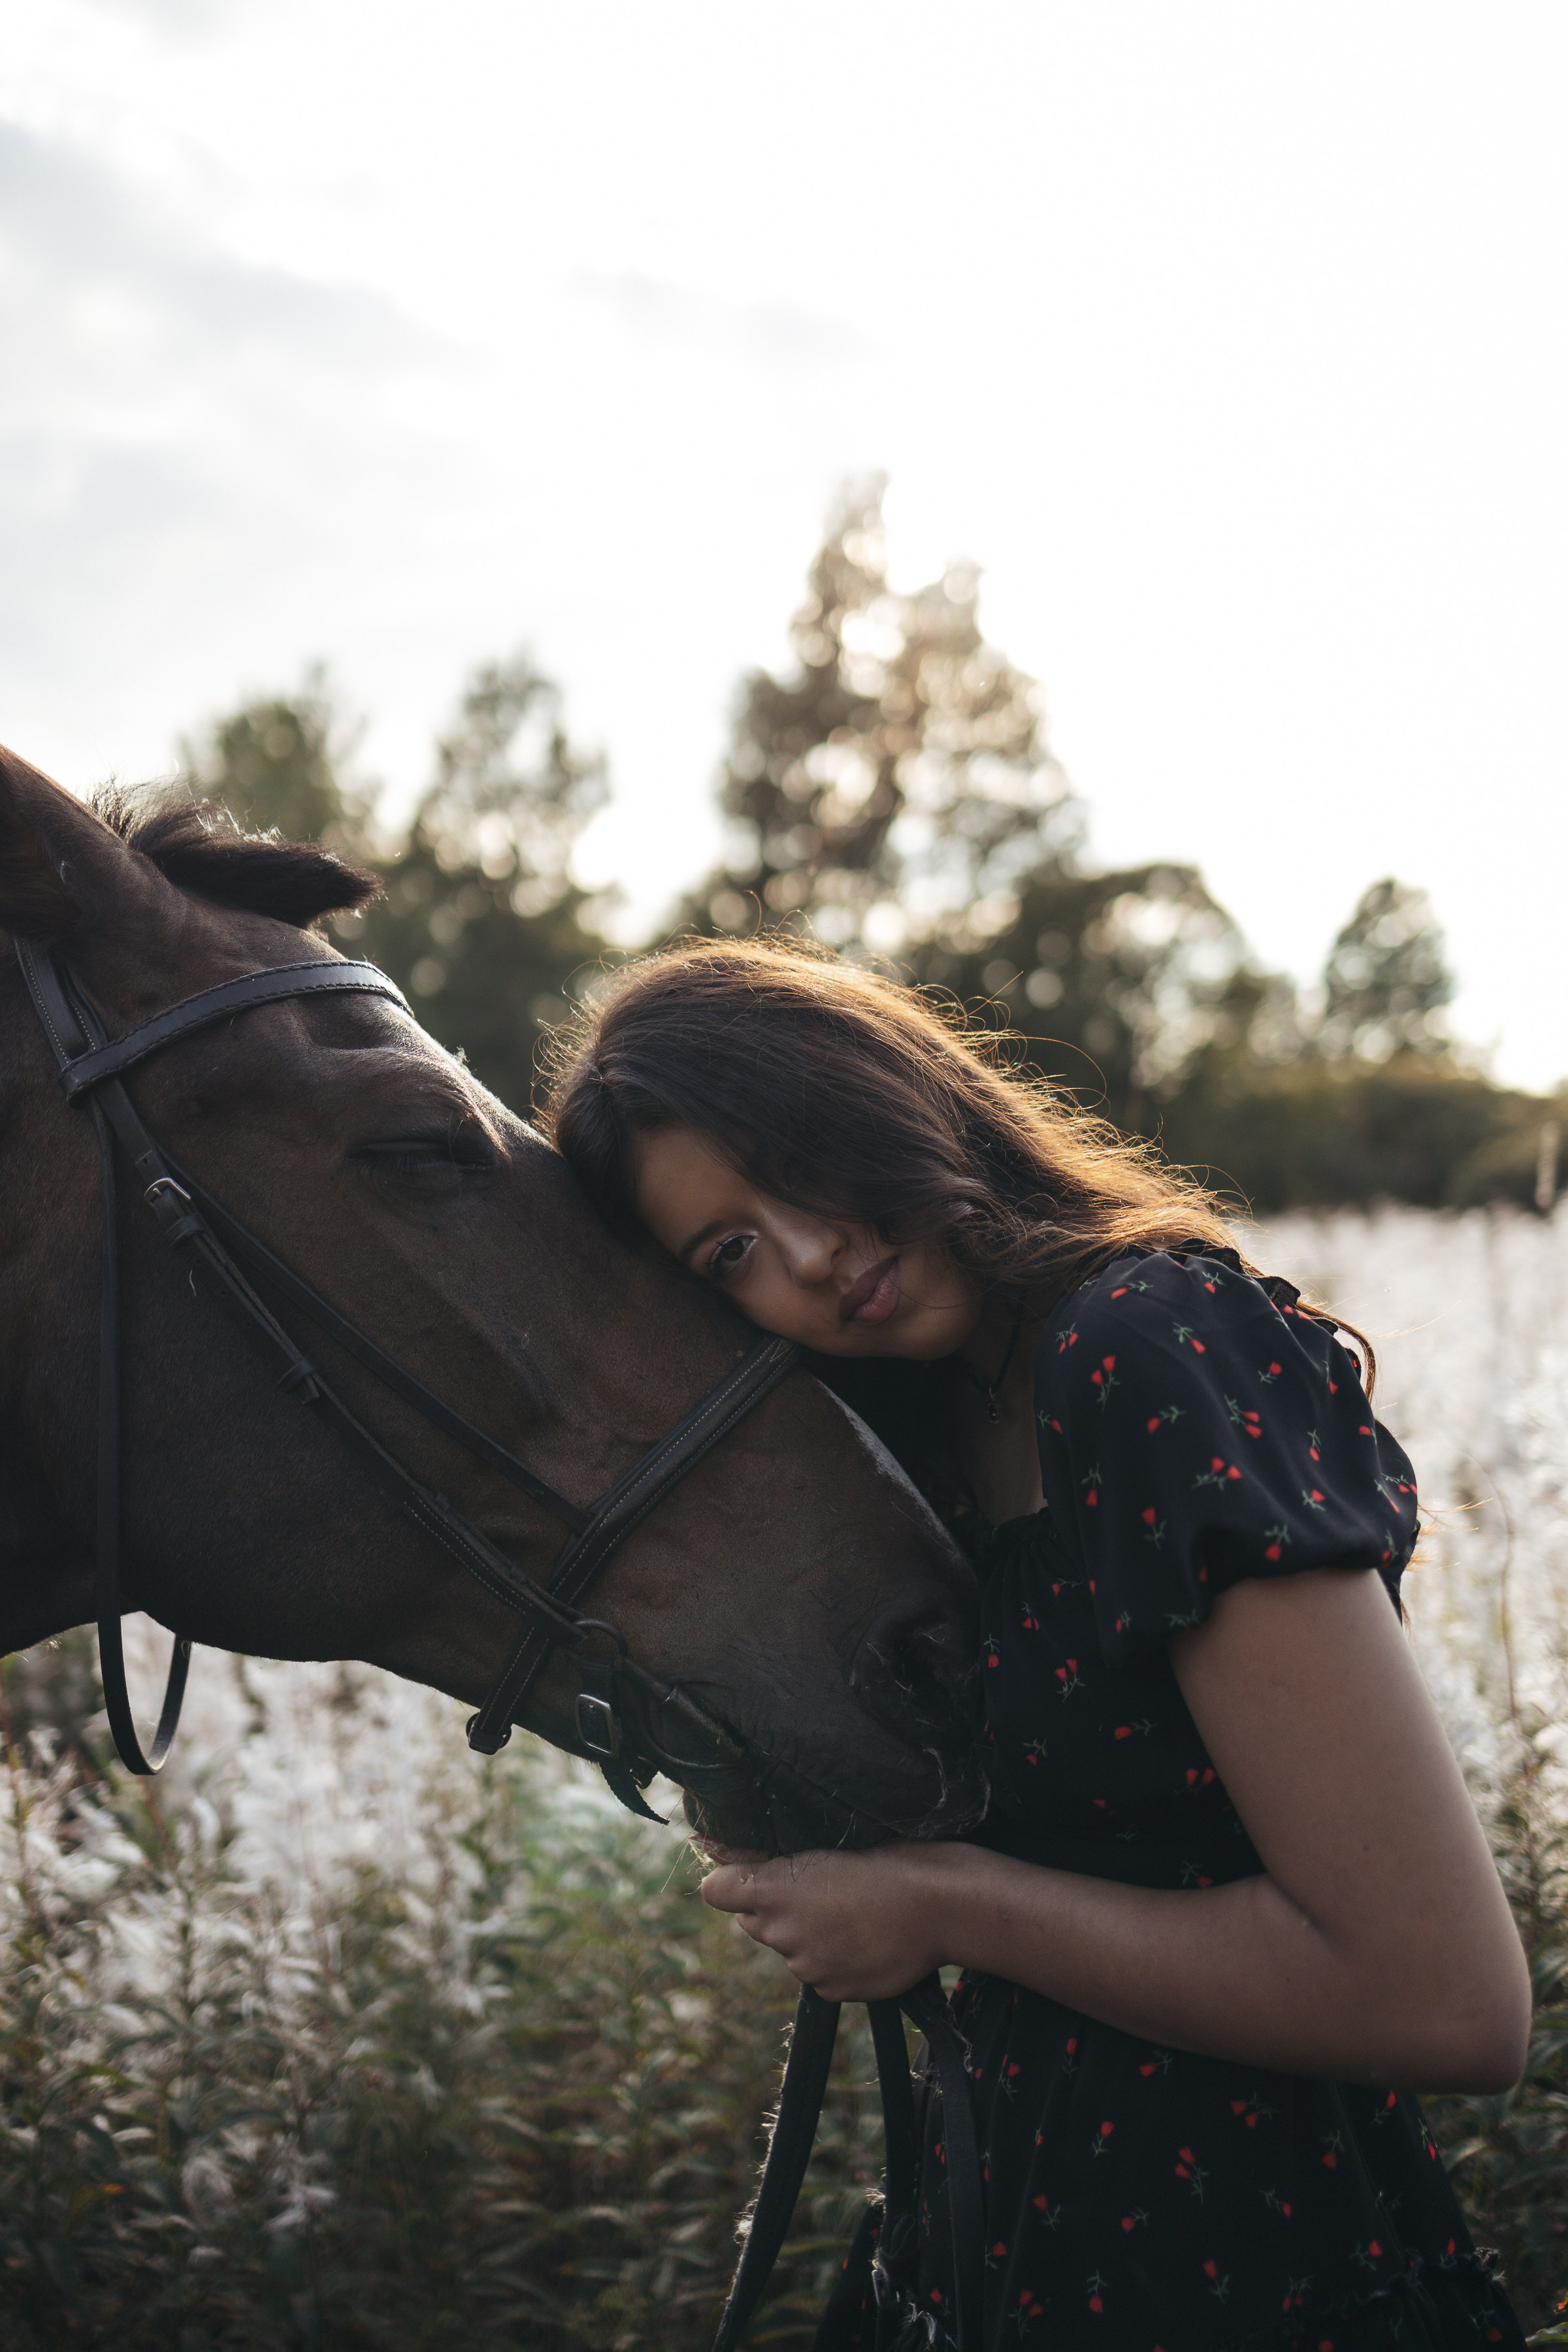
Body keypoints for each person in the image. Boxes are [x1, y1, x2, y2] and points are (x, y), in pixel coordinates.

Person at [544, 938, 1530, 2352]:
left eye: (796, 1157)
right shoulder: (924, 1432)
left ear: (882, 1089)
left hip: (1253, 2282)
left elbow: (1447, 2001)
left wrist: (946, 1907)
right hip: (985, 2254)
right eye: (735, 1251)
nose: (813, 1255)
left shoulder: (1140, 1347)